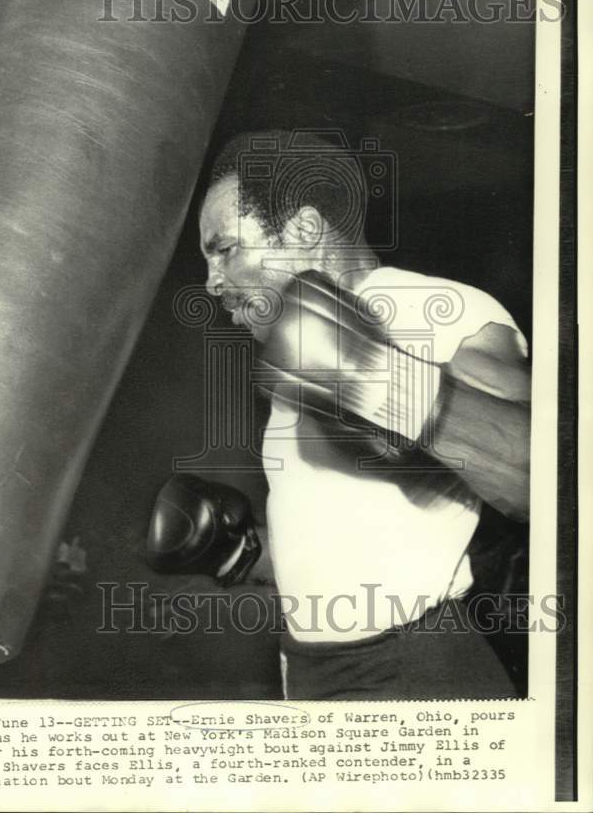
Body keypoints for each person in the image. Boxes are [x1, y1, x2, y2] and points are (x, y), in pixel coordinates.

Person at [196, 129, 531, 700]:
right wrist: (241, 553)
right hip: (312, 670)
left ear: (303, 229)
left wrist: (380, 380)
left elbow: (544, 476)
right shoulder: (295, 355)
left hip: (408, 668)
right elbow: (350, 549)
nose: (212, 282)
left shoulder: (431, 308)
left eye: (225, 249)